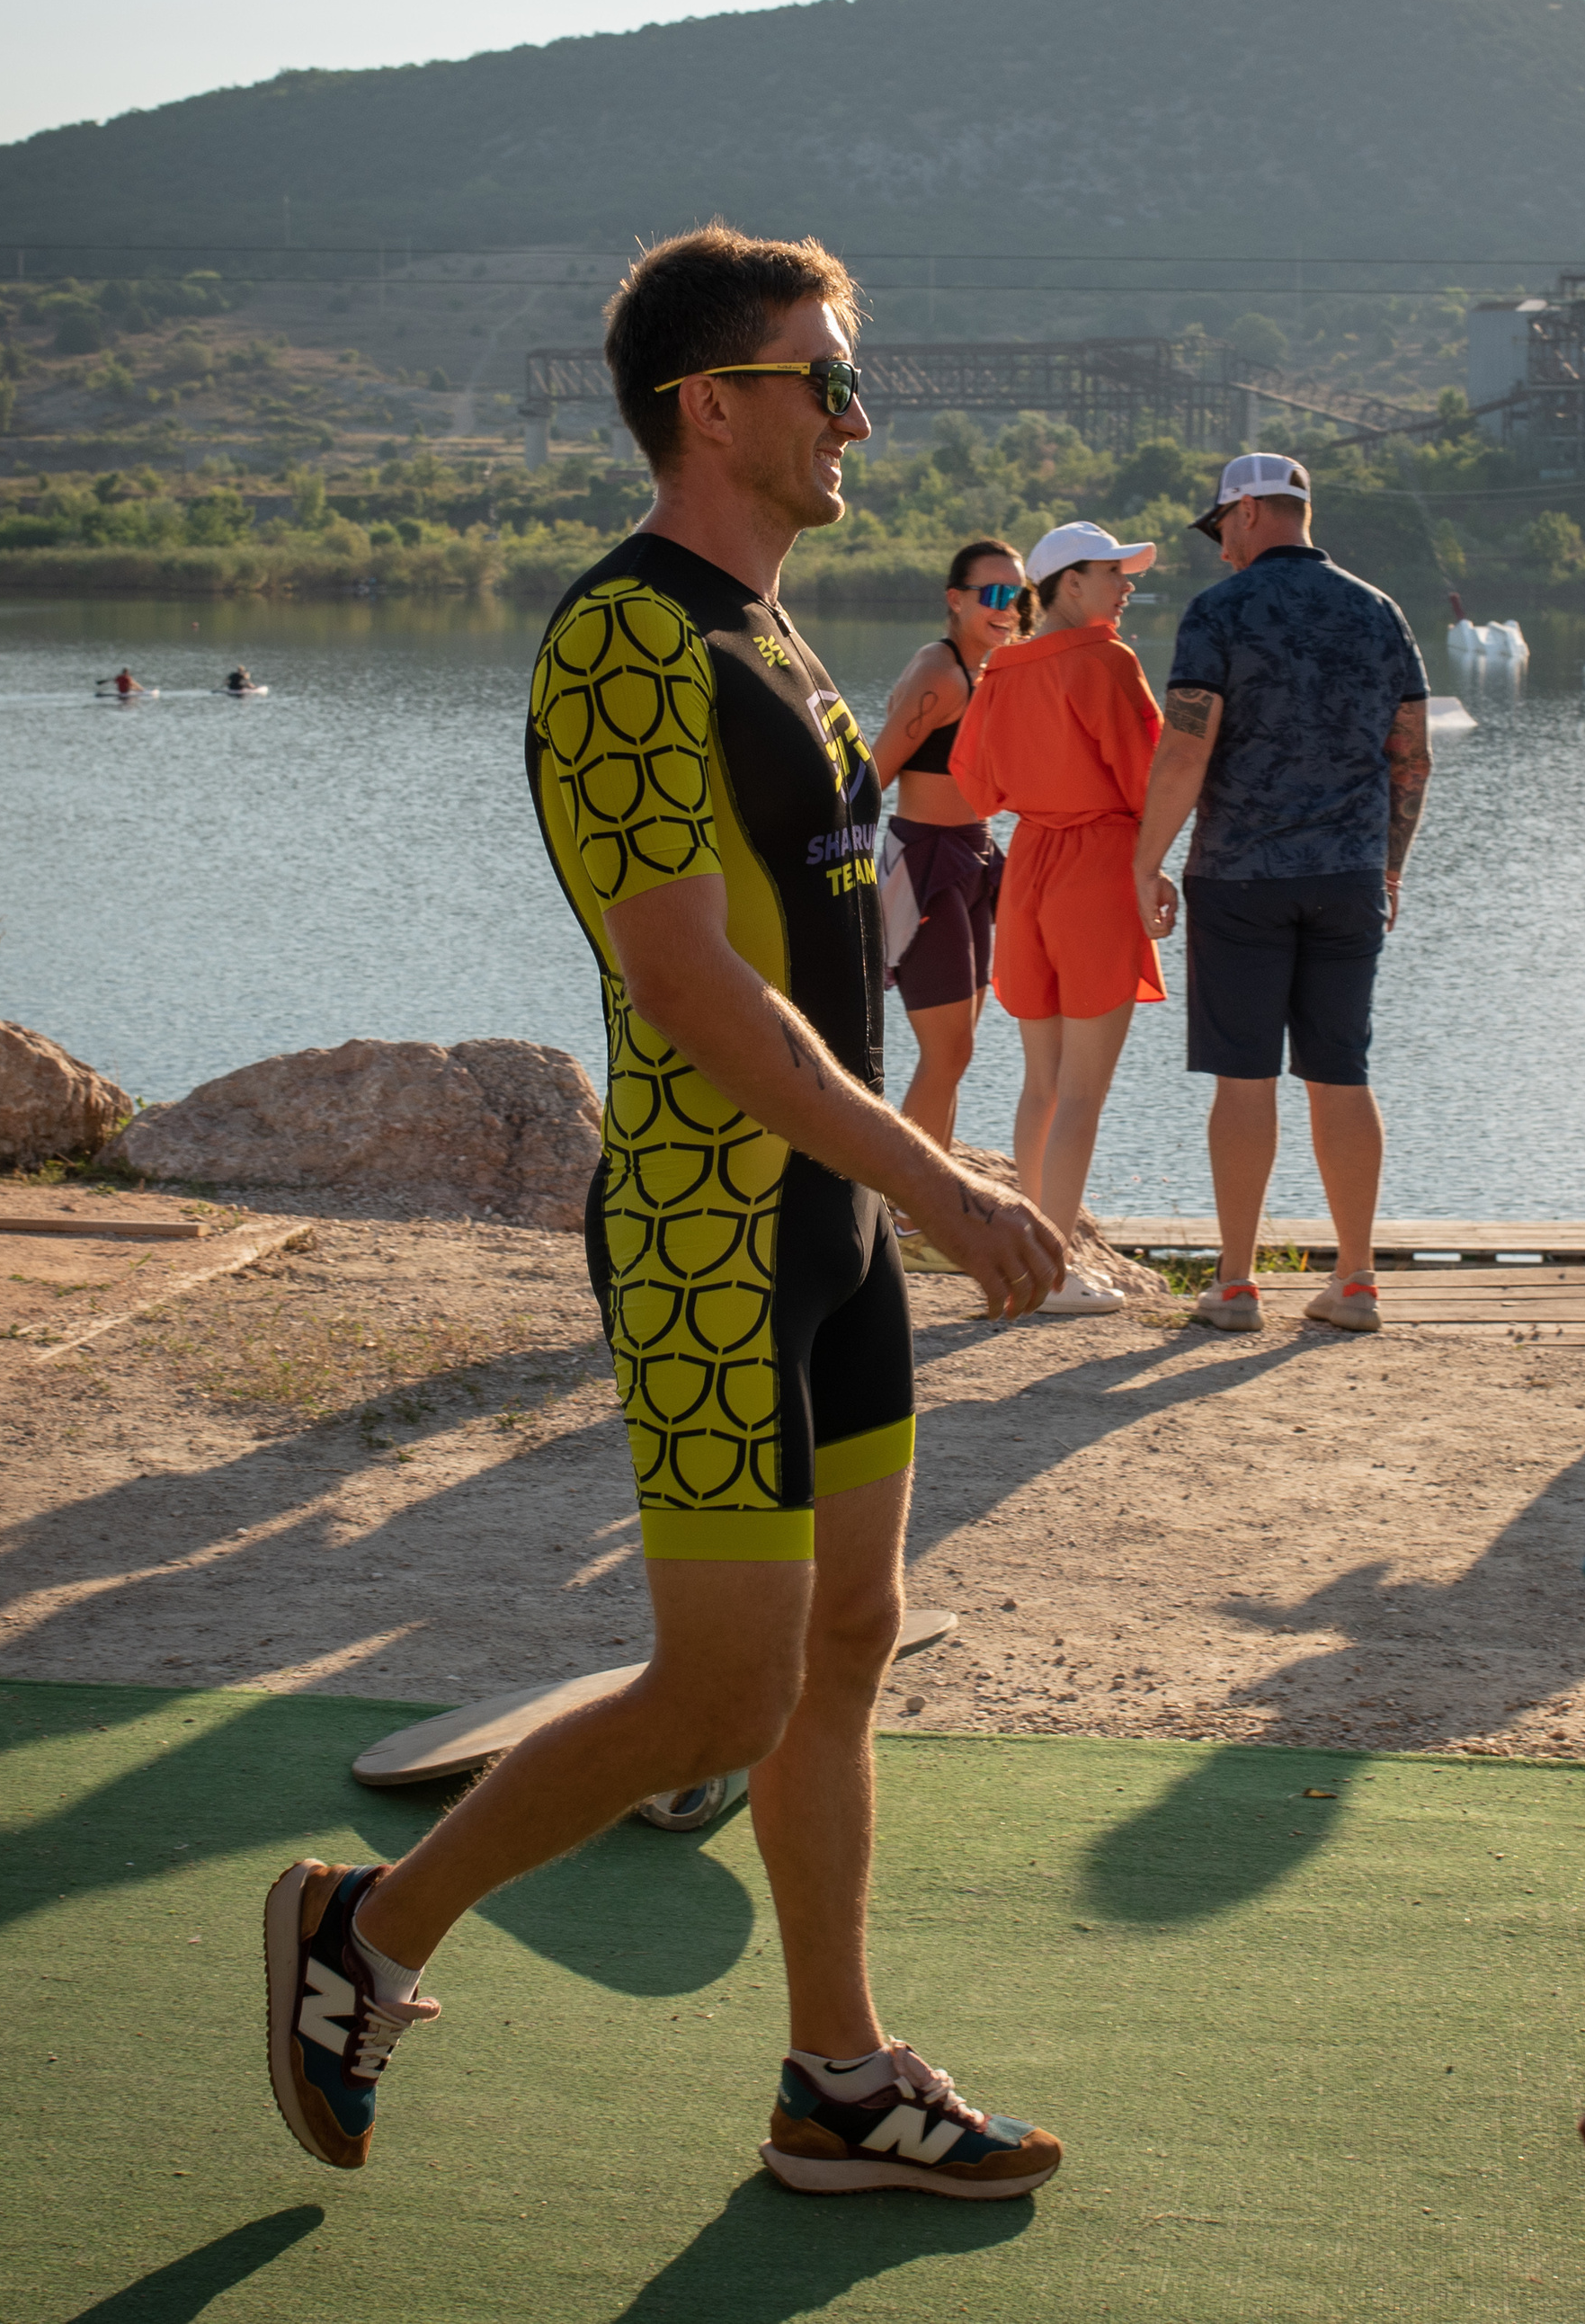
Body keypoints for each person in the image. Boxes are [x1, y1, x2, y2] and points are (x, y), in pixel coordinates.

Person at [263, 223, 1066, 2201]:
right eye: (825, 377)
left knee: (849, 1640)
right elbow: (690, 987)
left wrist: (897, 1190)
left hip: (835, 1230)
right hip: (715, 1236)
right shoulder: (625, 635)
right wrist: (947, 1175)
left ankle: (833, 2076)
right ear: (709, 405)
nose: (856, 414)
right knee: (719, 1689)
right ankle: (363, 1931)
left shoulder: (776, 632)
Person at [1133, 454, 1430, 1335]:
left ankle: (1233, 1285)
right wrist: (1390, 864)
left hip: (1239, 876)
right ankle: (1356, 1279)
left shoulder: (1218, 612)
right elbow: (1409, 755)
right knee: (1341, 1072)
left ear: (1256, 511)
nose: (1220, 543)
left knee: (1244, 1077)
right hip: (1347, 877)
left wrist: (1144, 859)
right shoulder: (1380, 612)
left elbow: (1187, 747)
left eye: (1222, 522)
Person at [949, 520, 1164, 1314]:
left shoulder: (1003, 666)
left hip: (1029, 864)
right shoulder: (1108, 660)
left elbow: (976, 791)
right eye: (1114, 572)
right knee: (1081, 1091)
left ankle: (1027, 1264)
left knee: (1041, 1083)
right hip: (1097, 864)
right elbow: (1149, 776)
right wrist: (1155, 862)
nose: (1126, 585)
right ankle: (1059, 1271)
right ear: (1070, 584)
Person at [866, 540, 1030, 1177]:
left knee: (956, 1054)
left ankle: (927, 1207)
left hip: (975, 858)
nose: (1007, 606)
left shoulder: (986, 669)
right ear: (955, 599)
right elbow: (870, 775)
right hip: (927, 864)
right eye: (992, 594)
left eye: (1017, 595)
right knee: (947, 1052)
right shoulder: (941, 672)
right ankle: (903, 1210)